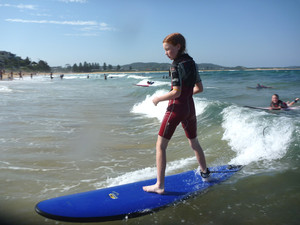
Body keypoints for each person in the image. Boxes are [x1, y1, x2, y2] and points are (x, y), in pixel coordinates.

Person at [143, 33, 210, 195]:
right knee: (194, 143)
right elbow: (199, 89)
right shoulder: (192, 63)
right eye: (165, 50)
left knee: (160, 146)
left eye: (168, 49)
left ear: (178, 46)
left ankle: (160, 185)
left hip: (176, 108)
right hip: (190, 109)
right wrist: (186, 96)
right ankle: (206, 174)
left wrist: (158, 98)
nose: (166, 53)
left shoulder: (175, 66)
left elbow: (175, 92)